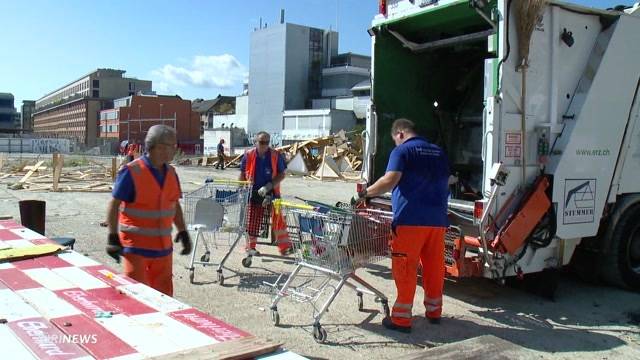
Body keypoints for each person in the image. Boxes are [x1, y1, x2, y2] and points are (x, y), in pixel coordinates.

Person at [353, 118, 450, 333]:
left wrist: (364, 194)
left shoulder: (403, 151)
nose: (396, 144)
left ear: (400, 134)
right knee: (434, 267)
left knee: (405, 267)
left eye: (395, 140)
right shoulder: (438, 152)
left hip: (410, 220)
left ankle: (401, 319)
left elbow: (390, 180)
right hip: (437, 221)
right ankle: (434, 311)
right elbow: (447, 180)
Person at [106, 125, 192, 296]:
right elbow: (114, 204)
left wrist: (183, 232)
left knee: (164, 299)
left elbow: (174, 204)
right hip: (136, 249)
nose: (175, 150)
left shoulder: (171, 173)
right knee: (138, 300)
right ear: (159, 147)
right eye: (172, 146)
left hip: (163, 250)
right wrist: (112, 236)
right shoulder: (132, 172)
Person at [239, 131, 292, 256]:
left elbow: (281, 174)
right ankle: (250, 247)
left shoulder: (275, 155)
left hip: (272, 193)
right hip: (254, 193)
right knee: (253, 221)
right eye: (262, 142)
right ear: (256, 142)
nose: (265, 145)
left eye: (267, 142)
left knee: (278, 220)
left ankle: (284, 247)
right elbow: (242, 173)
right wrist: (241, 189)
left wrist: (269, 186)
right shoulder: (249, 155)